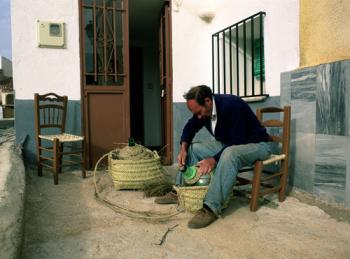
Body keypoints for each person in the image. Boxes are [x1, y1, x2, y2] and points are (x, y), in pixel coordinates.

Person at [155, 85, 271, 228]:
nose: (198, 117)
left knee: (230, 154)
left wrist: (214, 160)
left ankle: (211, 207)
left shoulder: (232, 105)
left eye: (198, 112)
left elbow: (237, 141)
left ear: (208, 101)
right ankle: (179, 191)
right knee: (193, 148)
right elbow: (190, 127)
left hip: (257, 145)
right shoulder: (203, 111)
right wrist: (183, 148)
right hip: (229, 144)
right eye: (195, 113)